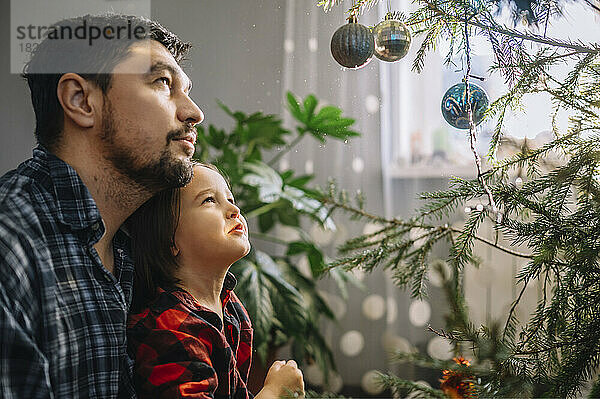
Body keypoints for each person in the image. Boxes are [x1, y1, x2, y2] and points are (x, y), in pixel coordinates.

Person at [0, 14, 203, 398]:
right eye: (163, 83)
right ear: (81, 100)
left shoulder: (140, 247)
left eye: (186, 89)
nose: (194, 112)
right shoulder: (11, 246)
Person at [126, 162, 305, 398]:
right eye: (209, 200)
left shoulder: (231, 308)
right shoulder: (170, 328)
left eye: (230, 199)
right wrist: (274, 393)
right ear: (170, 238)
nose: (234, 210)